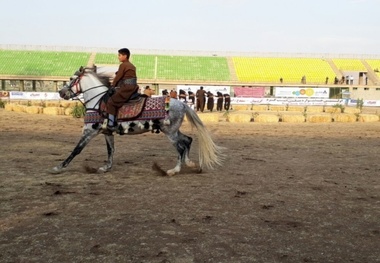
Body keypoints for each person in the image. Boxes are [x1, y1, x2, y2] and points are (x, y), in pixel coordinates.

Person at [104, 48, 138, 132]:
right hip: (132, 87)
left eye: (119, 55)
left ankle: (111, 124)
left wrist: (112, 86)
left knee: (111, 102)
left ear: (125, 56)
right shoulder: (131, 65)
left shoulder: (123, 65)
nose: (118, 57)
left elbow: (118, 77)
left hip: (127, 88)